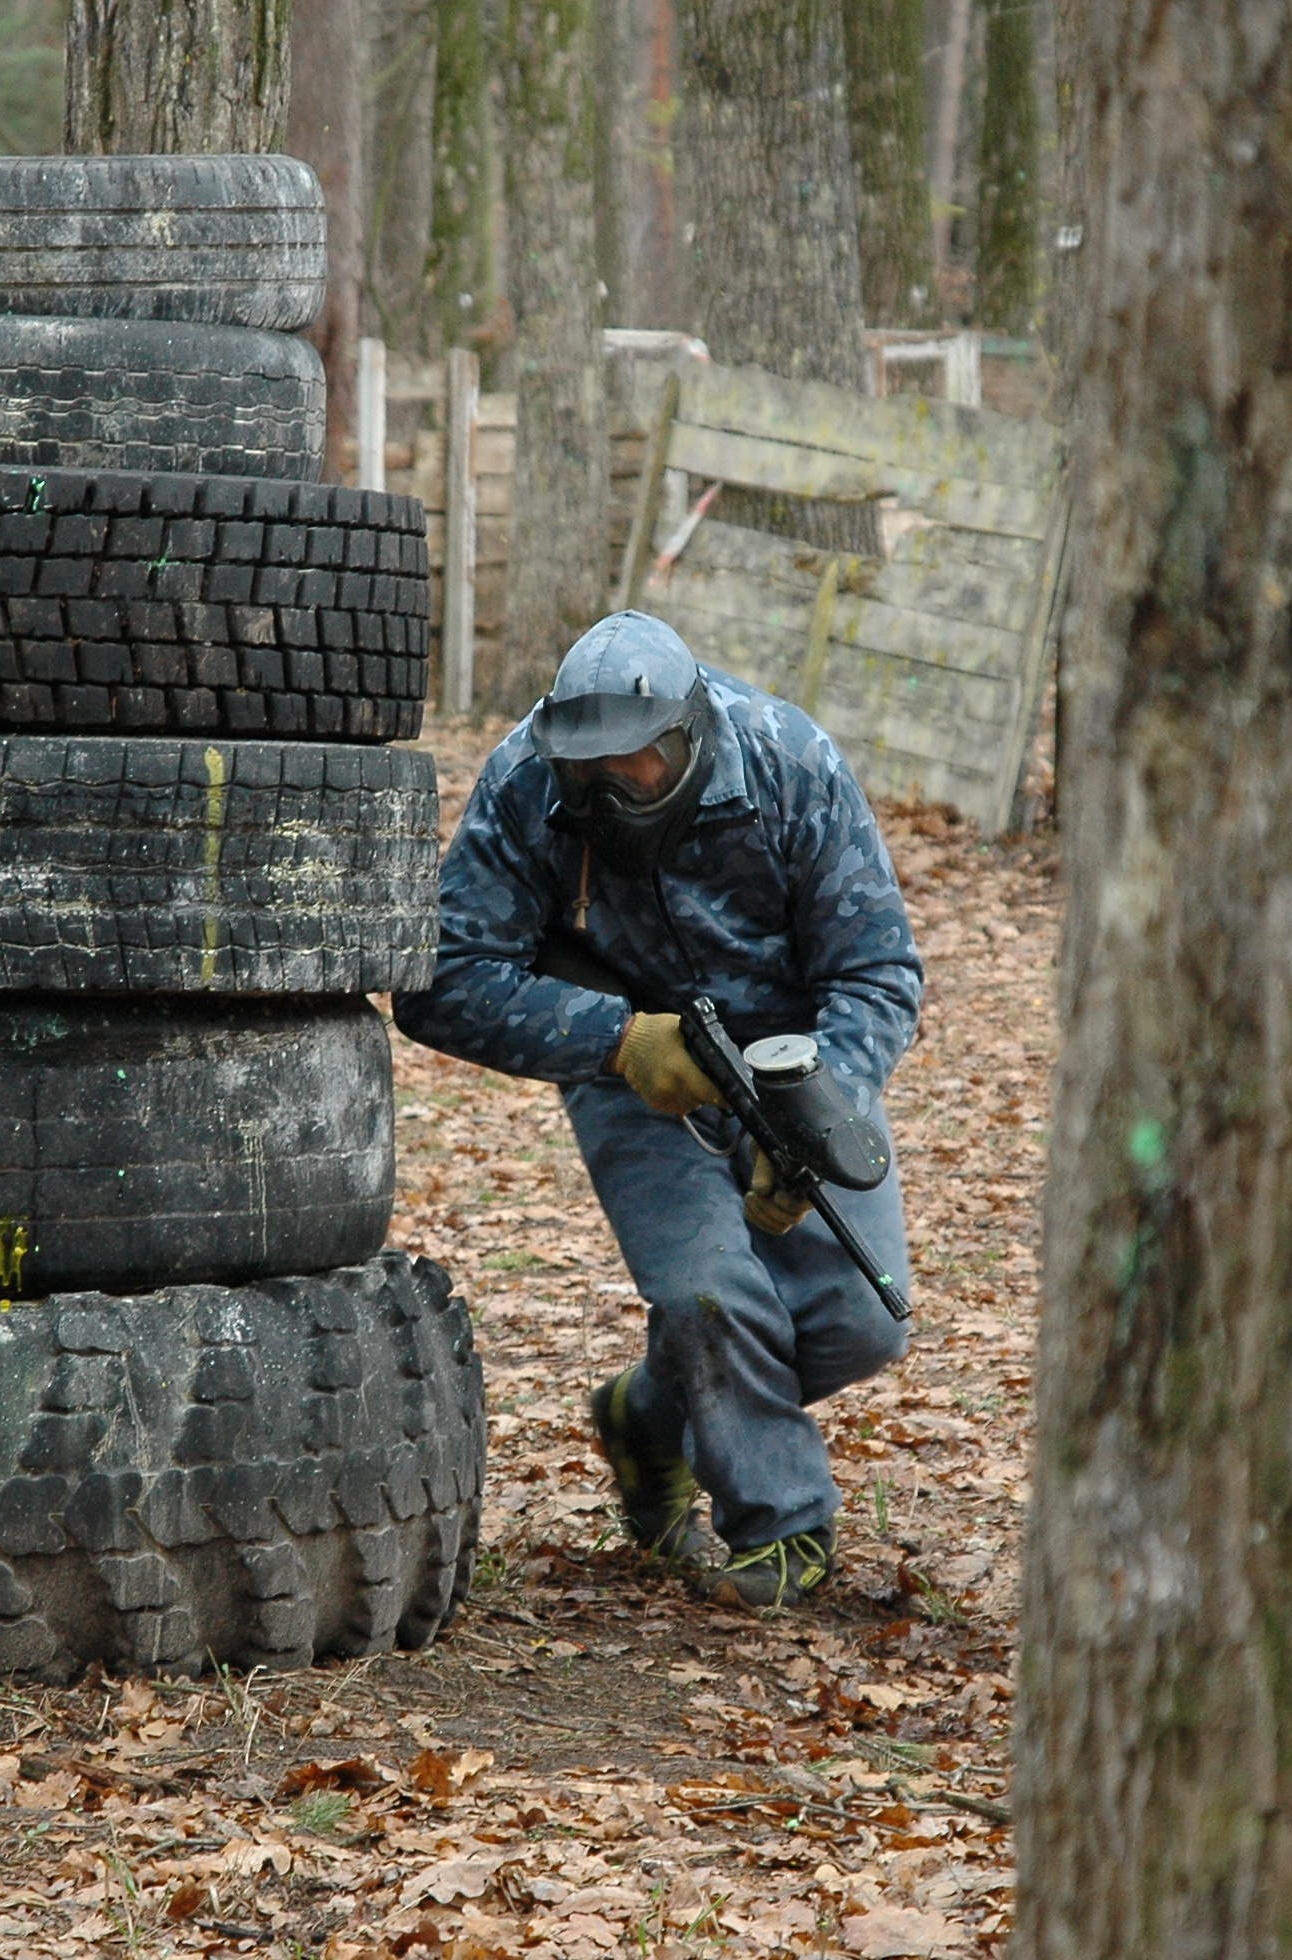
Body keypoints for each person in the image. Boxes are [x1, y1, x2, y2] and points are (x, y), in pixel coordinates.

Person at [395, 611, 923, 1608]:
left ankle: (648, 1416)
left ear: (687, 736)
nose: (605, 787)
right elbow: (436, 979)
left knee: (861, 1320)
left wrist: (820, 1112)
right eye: (585, 767)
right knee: (711, 1299)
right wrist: (616, 1038)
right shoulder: (523, 785)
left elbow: (878, 968)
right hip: (635, 1069)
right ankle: (780, 1521)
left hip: (796, 1061)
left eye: (634, 762)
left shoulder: (786, 761)